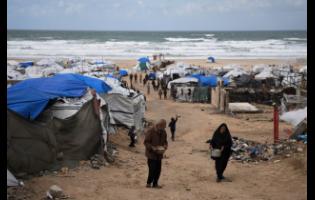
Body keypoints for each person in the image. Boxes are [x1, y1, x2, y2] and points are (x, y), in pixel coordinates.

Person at [144, 119, 168, 188]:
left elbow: (165, 141)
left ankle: (155, 184)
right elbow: (146, 142)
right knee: (152, 169)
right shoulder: (150, 131)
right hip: (151, 155)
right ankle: (148, 183)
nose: (163, 129)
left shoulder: (164, 132)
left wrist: (165, 146)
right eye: (162, 127)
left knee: (158, 170)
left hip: (159, 154)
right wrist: (152, 148)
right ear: (158, 125)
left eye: (164, 128)